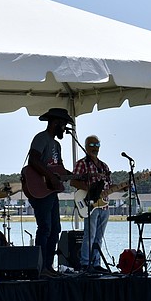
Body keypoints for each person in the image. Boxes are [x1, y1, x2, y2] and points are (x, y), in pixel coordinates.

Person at [24, 107, 74, 277]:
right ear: (56, 122)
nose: (65, 128)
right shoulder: (41, 138)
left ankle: (48, 265)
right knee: (45, 227)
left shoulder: (57, 145)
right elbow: (33, 160)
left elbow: (58, 169)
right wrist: (50, 177)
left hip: (50, 192)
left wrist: (78, 176)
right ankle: (41, 267)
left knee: (55, 229)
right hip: (40, 189)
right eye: (63, 124)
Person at [70, 135, 126, 273]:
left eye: (97, 145)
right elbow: (73, 181)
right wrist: (91, 190)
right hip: (90, 203)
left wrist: (122, 186)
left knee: (99, 237)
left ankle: (95, 263)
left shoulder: (104, 166)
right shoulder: (82, 164)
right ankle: (85, 263)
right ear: (86, 146)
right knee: (89, 235)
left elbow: (108, 185)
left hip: (104, 206)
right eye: (91, 145)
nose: (94, 148)